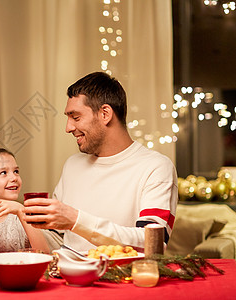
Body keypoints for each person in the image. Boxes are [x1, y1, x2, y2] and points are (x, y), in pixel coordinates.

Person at [23, 72, 178, 251]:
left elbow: (153, 242)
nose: (68, 128)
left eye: (75, 117)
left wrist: (75, 220)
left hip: (123, 277)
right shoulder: (72, 165)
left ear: (105, 114)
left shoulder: (155, 167)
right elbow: (57, 238)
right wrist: (15, 214)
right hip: (69, 276)